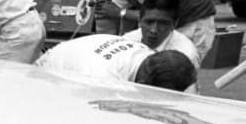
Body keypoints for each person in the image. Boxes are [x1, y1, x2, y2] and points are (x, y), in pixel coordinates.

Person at [36, 34, 196, 91]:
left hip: (77, 59)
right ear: (143, 84)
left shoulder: (148, 57)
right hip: (48, 74)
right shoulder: (104, 79)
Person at [120, 0, 201, 83]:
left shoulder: (187, 55)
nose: (154, 30)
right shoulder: (126, 42)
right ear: (140, 21)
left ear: (175, 24)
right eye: (149, 22)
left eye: (163, 23)